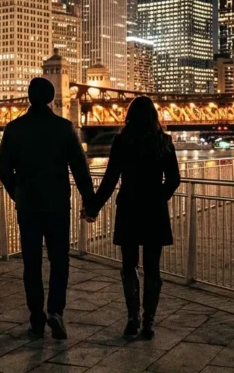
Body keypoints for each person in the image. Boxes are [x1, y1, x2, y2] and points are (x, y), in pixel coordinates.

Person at [0, 77, 94, 340]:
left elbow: (3, 169)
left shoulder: (14, 128)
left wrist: (17, 193)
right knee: (59, 261)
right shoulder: (64, 128)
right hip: (58, 206)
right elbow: (80, 169)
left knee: (32, 264)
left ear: (29, 97)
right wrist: (90, 200)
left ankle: (36, 319)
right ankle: (56, 312)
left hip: (28, 206)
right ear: (52, 98)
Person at [84, 96, 180, 340]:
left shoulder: (121, 141)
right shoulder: (164, 141)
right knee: (152, 268)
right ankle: (149, 322)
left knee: (128, 265)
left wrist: (93, 207)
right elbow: (174, 179)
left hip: (128, 208)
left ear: (130, 116)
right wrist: (160, 196)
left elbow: (110, 179)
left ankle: (132, 319)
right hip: (154, 210)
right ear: (153, 116)